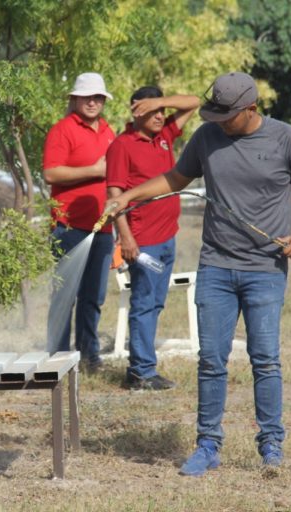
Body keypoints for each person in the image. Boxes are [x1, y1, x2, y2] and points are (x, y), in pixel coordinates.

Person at [104, 72, 291, 475]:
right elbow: (175, 178)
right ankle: (207, 445)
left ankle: (271, 444)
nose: (220, 122)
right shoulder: (207, 137)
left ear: (252, 109)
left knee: (266, 360)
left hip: (264, 269)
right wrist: (128, 197)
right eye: (216, 114)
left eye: (228, 116)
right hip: (216, 267)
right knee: (210, 360)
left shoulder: (285, 138)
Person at [106, 86, 200, 390]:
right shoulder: (122, 145)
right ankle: (141, 373)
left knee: (156, 302)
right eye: (152, 111)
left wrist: (161, 101)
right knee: (145, 303)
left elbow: (194, 102)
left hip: (167, 238)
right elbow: (115, 195)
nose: (160, 116)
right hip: (143, 241)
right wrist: (126, 238)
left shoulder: (164, 137)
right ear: (136, 112)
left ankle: (144, 367)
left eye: (162, 110)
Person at [43, 72, 116, 372]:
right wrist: (94, 171)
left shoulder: (110, 131)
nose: (93, 102)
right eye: (87, 96)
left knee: (93, 296)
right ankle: (58, 357)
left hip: (103, 227)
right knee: (65, 295)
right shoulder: (62, 130)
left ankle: (88, 356)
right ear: (74, 99)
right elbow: (51, 174)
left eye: (98, 97)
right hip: (69, 227)